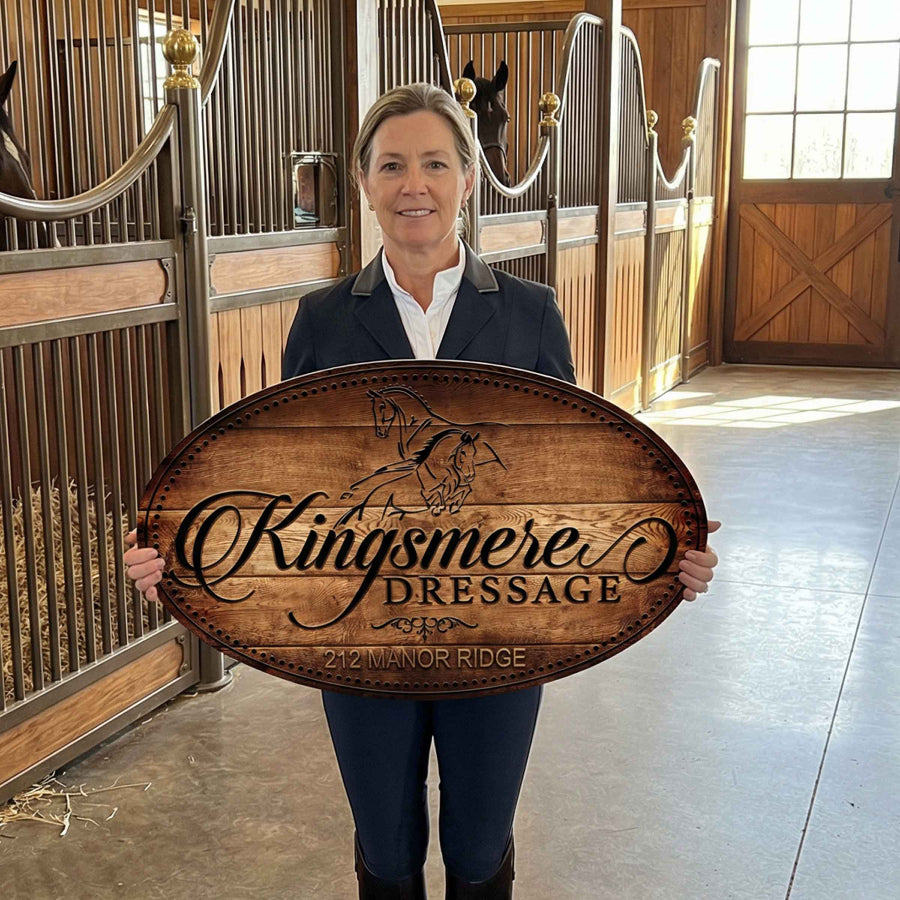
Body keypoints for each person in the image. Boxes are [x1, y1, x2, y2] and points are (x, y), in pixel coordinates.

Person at [124, 82, 720, 899]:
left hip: (503, 629)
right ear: (365, 184)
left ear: (468, 179)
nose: (416, 185)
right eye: (393, 165)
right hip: (362, 633)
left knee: (479, 848)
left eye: (436, 164)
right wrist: (181, 553)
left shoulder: (531, 314)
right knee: (387, 846)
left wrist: (661, 549)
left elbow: (575, 476)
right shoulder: (324, 319)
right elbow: (284, 482)